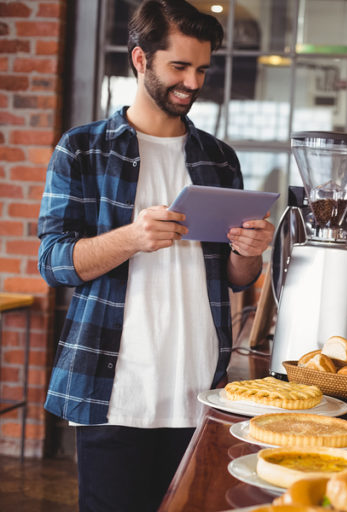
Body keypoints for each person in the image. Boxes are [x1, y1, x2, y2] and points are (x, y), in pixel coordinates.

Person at [36, 1, 275, 510]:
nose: (193, 82)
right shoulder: (82, 150)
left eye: (202, 69)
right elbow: (54, 262)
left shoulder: (218, 158)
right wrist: (131, 238)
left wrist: (250, 253)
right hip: (114, 392)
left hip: (200, 391)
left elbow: (234, 278)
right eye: (179, 67)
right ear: (141, 60)